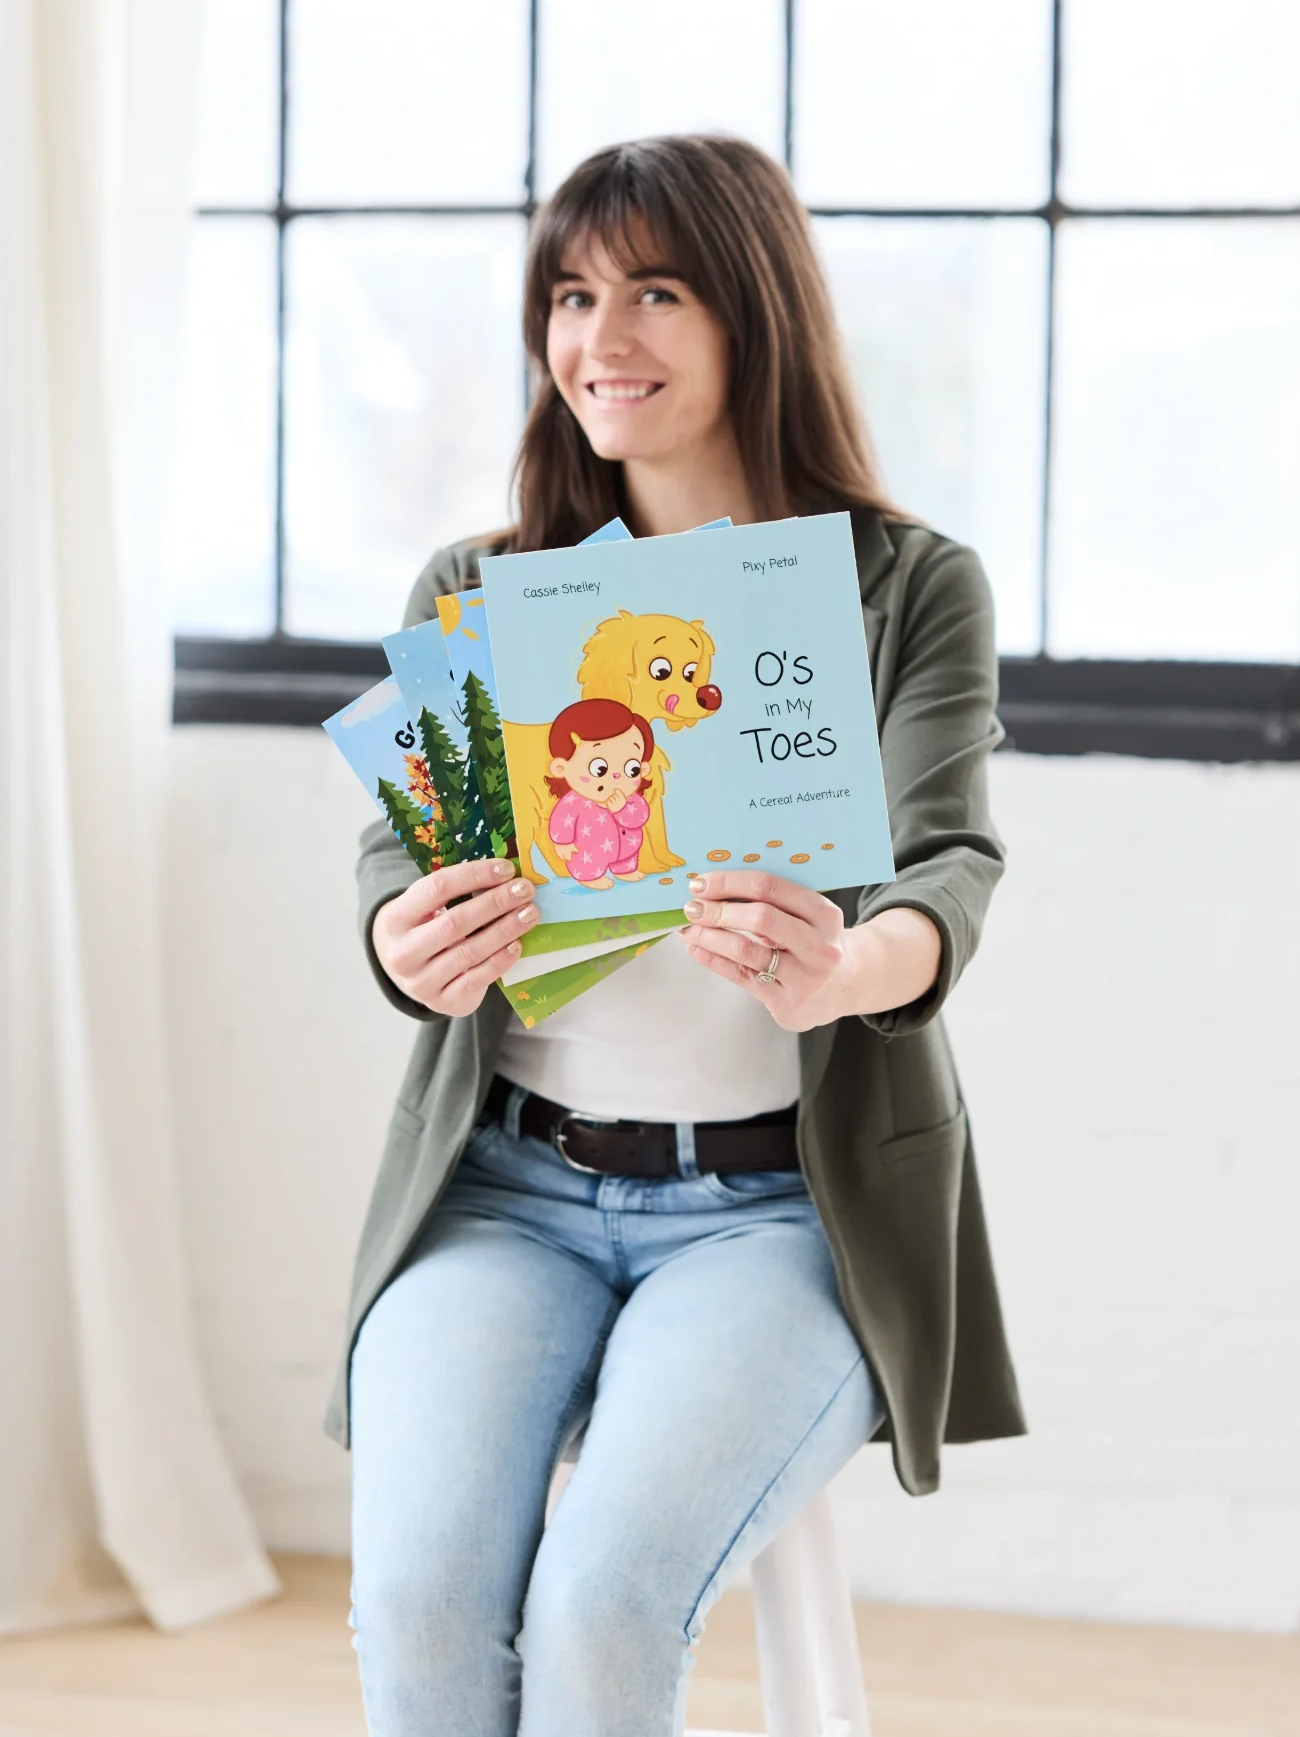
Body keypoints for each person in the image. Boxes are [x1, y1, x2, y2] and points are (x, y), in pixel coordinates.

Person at [326, 134, 1026, 1737]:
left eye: (654, 291)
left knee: (603, 1606)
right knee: (421, 1603)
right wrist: (402, 937)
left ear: (752, 312)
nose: (600, 338)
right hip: (504, 1190)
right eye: (571, 296)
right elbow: (399, 854)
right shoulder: (481, 584)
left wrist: (850, 967)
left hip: (779, 1213)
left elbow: (948, 865)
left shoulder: (909, 584)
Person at [544, 697, 653, 887]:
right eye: (600, 768)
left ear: (643, 769)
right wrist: (562, 842)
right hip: (588, 852)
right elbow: (562, 820)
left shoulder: (632, 799)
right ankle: (589, 876)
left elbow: (639, 817)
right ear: (561, 768)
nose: (616, 776)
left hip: (627, 848)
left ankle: (625, 869)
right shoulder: (573, 802)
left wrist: (622, 809)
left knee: (628, 855)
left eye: (632, 768)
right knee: (586, 861)